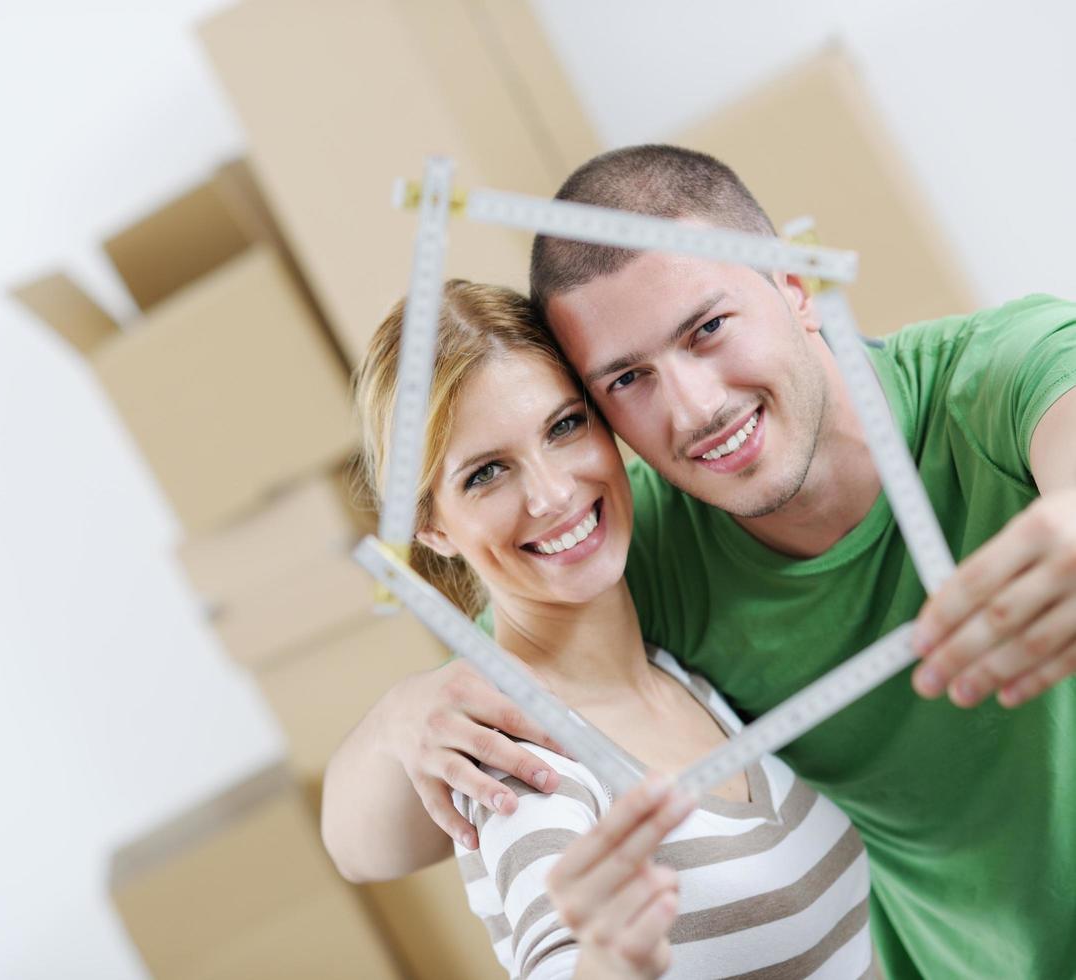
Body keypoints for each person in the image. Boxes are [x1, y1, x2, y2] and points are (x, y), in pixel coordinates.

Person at [322, 145, 1076, 979]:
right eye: (627, 378)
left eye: (708, 329)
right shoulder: (622, 553)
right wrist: (400, 718)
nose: (696, 408)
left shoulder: (994, 378)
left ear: (795, 285)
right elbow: (365, 844)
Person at [345, 281, 873, 978]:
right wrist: (609, 960)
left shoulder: (676, 675)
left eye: (564, 427)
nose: (553, 493)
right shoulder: (521, 758)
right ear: (432, 527)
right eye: (487, 473)